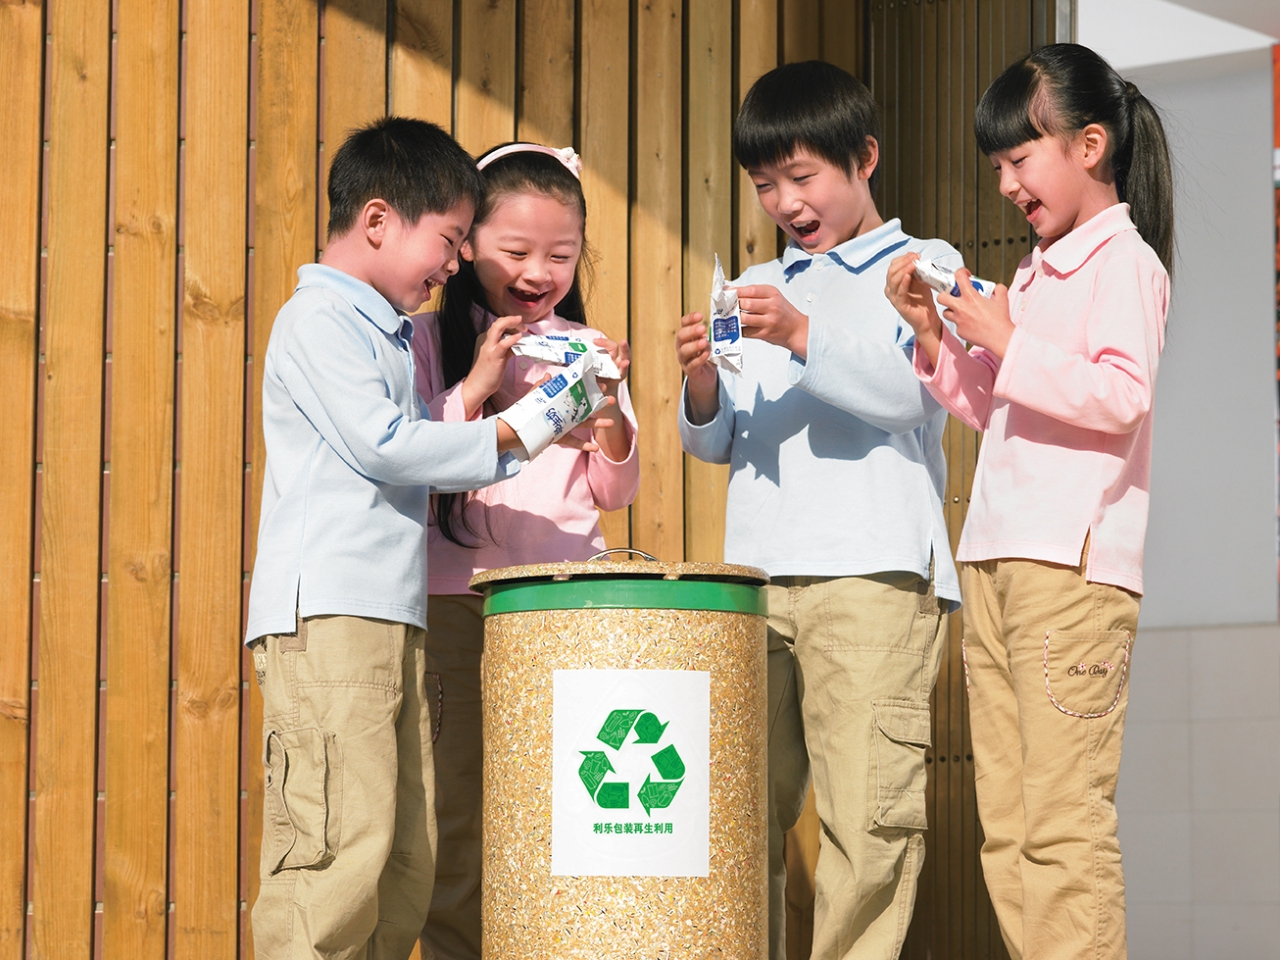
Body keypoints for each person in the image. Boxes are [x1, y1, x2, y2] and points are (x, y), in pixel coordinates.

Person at [244, 118, 605, 960]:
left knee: (402, 856)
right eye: (447, 241)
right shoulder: (320, 320)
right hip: (331, 618)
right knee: (337, 850)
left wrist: (487, 397)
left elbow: (412, 454)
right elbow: (386, 446)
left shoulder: (380, 330)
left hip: (388, 616)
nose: (453, 264)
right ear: (377, 221)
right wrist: (522, 427)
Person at [884, 43, 1173, 960]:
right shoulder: (1045, 268)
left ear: (1090, 146)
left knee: (1061, 824)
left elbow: (1122, 397)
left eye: (1020, 158)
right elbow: (994, 405)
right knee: (1006, 828)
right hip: (999, 560)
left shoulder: (1123, 260)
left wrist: (1005, 336)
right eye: (1000, 166)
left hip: (1070, 571)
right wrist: (938, 336)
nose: (1007, 183)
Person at [676, 60, 959, 960]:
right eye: (767, 186)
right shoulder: (753, 281)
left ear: (864, 157)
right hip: (755, 582)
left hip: (873, 575)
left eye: (803, 178)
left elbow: (915, 395)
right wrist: (698, 383)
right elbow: (718, 443)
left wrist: (800, 332)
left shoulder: (929, 264)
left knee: (867, 824)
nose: (786, 203)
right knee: (735, 815)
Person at [410, 142, 639, 960]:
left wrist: (606, 413)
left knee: (570, 804)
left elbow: (617, 488)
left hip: (567, 600)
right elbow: (413, 454)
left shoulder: (587, 344)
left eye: (561, 256)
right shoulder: (429, 338)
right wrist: (479, 385)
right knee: (457, 808)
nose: (539, 272)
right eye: (515, 252)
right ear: (467, 244)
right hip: (457, 602)